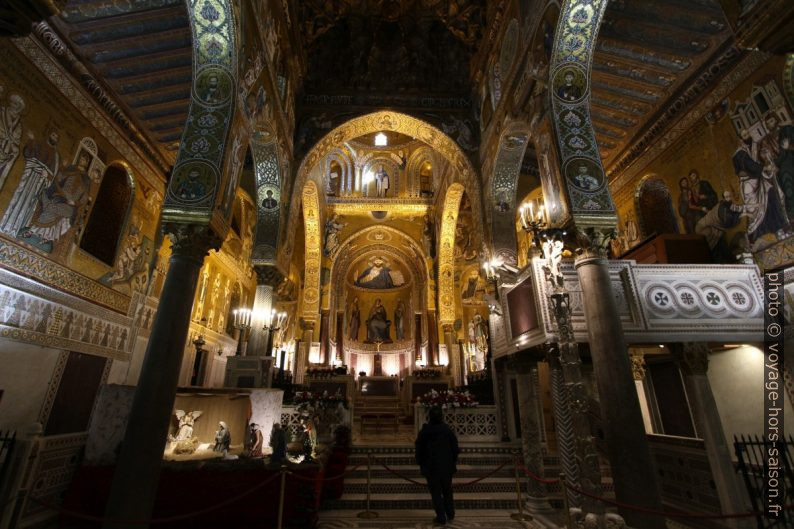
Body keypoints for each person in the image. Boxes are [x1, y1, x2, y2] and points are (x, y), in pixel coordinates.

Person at [415, 406, 459, 525]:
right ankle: (450, 512)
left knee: (436, 492)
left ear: (430, 418)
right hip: (446, 466)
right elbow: (455, 448)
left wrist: (420, 462)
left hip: (431, 467)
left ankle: (441, 516)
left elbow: (419, 448)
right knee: (447, 490)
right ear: (441, 417)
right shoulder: (447, 430)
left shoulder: (425, 432)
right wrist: (453, 461)